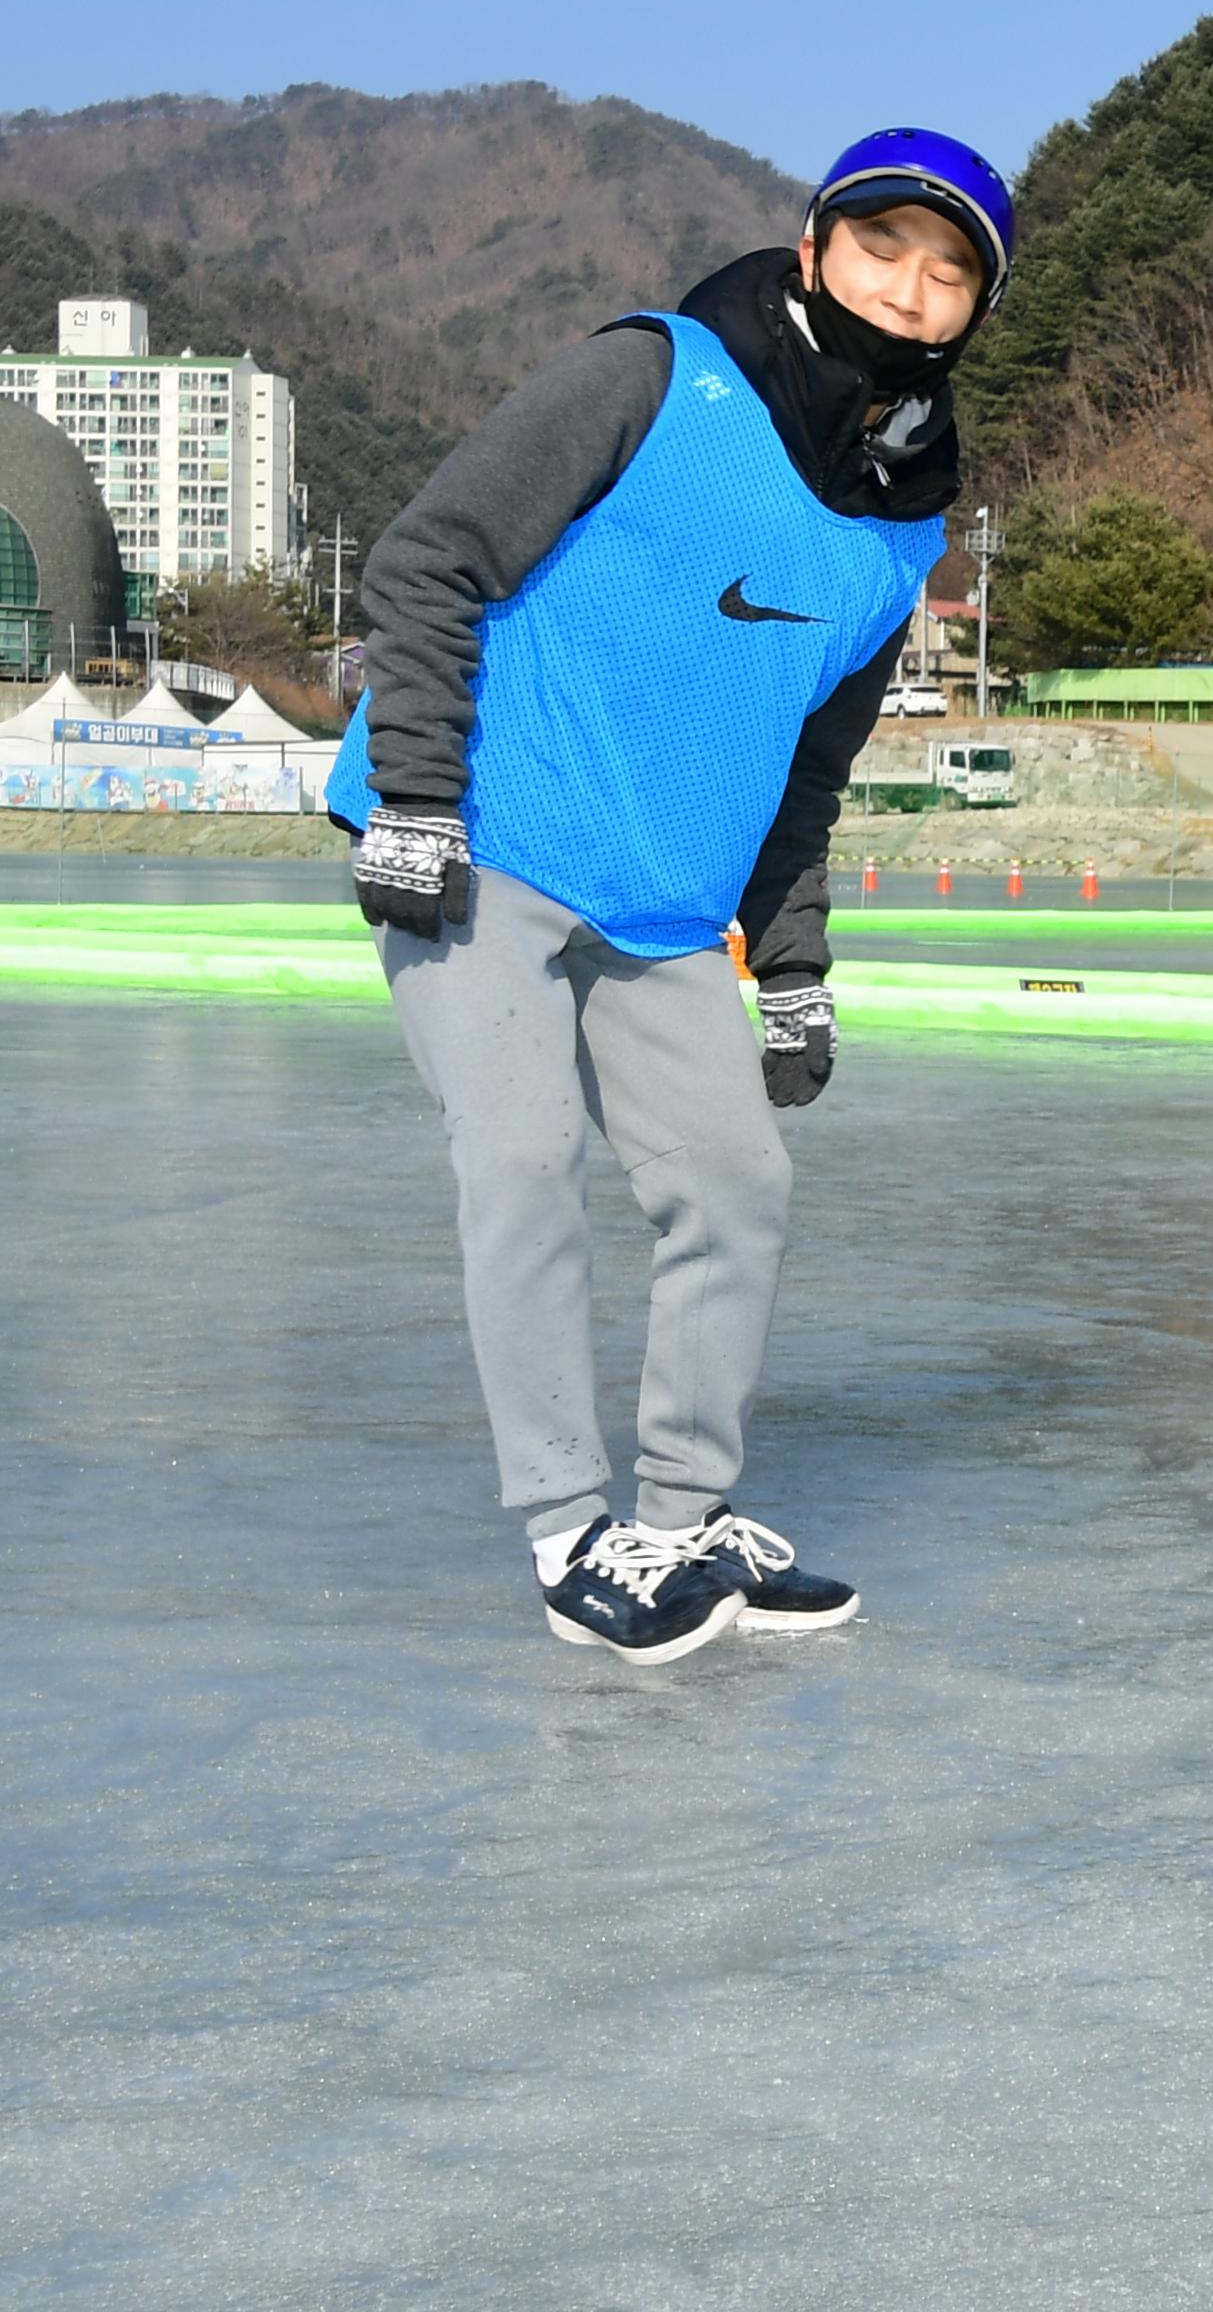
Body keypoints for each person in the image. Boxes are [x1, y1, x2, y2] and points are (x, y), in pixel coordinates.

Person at [328, 129, 1015, 1659]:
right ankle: (573, 1533)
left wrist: (794, 970)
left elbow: (806, 773)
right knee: (519, 1157)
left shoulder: (903, 528)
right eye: (887, 245)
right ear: (818, 241)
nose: (912, 287)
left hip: (661, 899)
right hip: (487, 838)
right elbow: (431, 558)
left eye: (951, 268)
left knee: (735, 1184)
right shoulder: (655, 373)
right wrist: (417, 799)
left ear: (976, 304)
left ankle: (679, 1519)